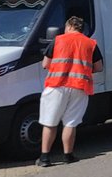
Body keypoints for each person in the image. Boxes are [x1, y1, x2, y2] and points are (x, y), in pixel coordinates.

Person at [37, 16, 104, 167]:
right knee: (70, 123)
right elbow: (98, 67)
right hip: (79, 87)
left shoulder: (58, 40)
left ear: (68, 27)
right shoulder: (90, 43)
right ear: (82, 29)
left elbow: (45, 64)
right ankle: (68, 156)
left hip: (56, 85)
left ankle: (45, 158)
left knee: (50, 122)